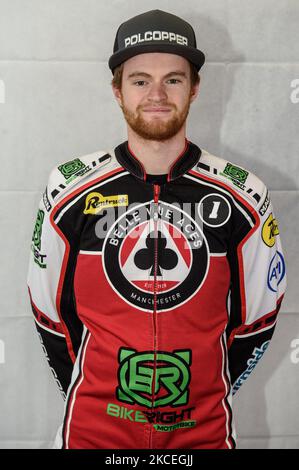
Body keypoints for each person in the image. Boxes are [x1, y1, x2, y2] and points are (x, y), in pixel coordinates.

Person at [27, 9, 286, 450]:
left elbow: (257, 321)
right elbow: (50, 315)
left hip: (202, 432)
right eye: (140, 79)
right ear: (117, 90)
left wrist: (204, 387)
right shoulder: (67, 189)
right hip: (93, 431)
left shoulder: (244, 197)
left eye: (174, 79)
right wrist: (94, 387)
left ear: (195, 88)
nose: (157, 94)